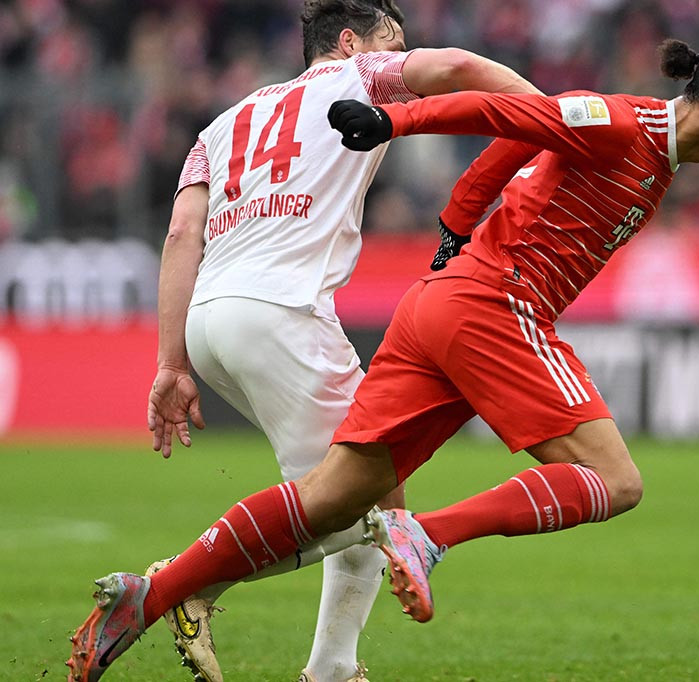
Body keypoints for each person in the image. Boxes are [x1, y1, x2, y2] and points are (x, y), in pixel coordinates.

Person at [68, 39, 699, 680]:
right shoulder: (624, 124)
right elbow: (501, 113)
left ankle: (151, 596)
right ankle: (430, 533)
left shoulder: (642, 147)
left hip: (438, 306)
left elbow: (526, 134)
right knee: (616, 480)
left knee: (330, 500)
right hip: (496, 305)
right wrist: (394, 122)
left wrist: (455, 222)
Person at [141, 1, 540, 681]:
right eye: (394, 39)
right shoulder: (360, 74)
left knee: (364, 504)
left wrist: (173, 361)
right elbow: (461, 67)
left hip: (209, 319)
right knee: (366, 507)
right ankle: (188, 583)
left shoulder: (220, 124)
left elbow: (182, 232)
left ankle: (332, 668)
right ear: (351, 41)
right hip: (284, 313)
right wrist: (550, 117)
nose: (403, 51)